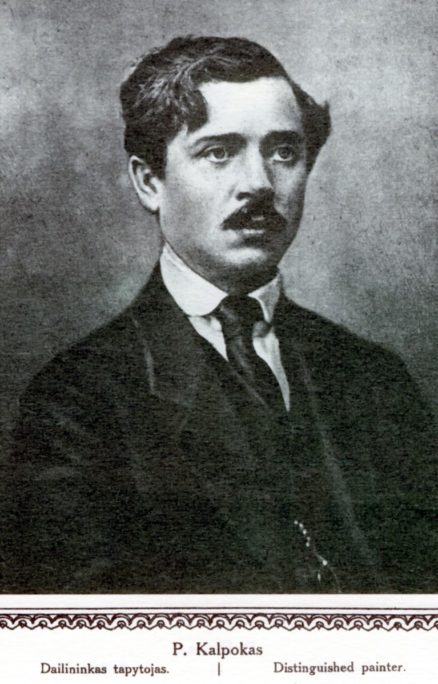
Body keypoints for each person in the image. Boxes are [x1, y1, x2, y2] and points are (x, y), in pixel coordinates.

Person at [2, 36, 435, 593]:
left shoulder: (377, 379)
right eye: (219, 152)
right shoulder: (77, 401)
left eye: (284, 152)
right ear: (150, 182)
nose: (259, 183)